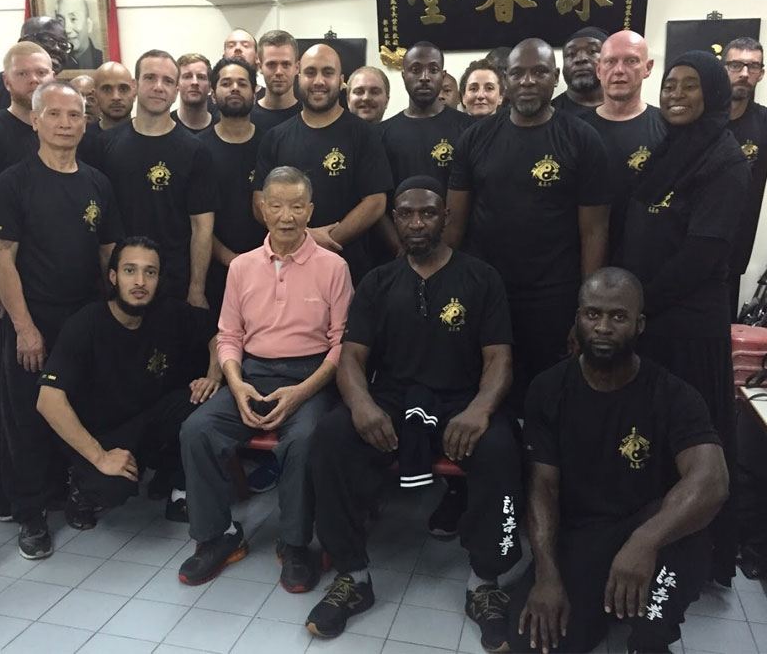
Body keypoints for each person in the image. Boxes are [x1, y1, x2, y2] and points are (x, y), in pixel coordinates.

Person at [305, 176, 522, 651]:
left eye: (428, 213)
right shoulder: (378, 282)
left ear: (446, 218)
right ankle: (353, 577)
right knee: (330, 438)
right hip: (394, 399)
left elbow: (499, 359)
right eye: (407, 213)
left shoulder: (480, 277)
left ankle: (484, 583)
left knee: (504, 448)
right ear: (396, 220)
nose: (417, 222)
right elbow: (352, 357)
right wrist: (361, 405)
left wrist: (481, 410)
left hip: (461, 400)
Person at [507, 267, 728, 654]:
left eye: (618, 316)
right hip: (581, 537)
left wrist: (644, 541)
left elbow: (712, 480)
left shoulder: (674, 395)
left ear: (639, 324)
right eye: (592, 314)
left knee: (691, 530)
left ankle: (649, 637)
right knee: (530, 642)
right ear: (577, 319)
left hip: (648, 527)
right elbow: (543, 486)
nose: (603, 327)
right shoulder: (548, 389)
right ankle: (607, 601)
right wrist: (547, 573)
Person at [179, 166, 353, 591]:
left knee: (304, 439)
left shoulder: (333, 267)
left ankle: (294, 545)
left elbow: (341, 345)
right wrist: (235, 384)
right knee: (196, 429)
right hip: (251, 373)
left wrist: (302, 392)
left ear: (310, 210)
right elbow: (229, 335)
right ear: (262, 209)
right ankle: (216, 537)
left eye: (297, 206)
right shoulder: (242, 267)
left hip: (311, 377)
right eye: (276, 206)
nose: (287, 216)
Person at [617, 50, 751, 585]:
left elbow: (703, 254)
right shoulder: (668, 149)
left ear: (713, 93)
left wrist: (637, 303)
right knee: (645, 438)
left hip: (686, 326)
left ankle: (691, 557)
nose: (675, 94)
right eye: (670, 84)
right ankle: (640, 538)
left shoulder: (725, 160)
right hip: (647, 319)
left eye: (689, 86)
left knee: (687, 442)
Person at [0, 81, 123, 559]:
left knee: (83, 409)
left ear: (85, 123)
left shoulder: (96, 183)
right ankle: (31, 516)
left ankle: (80, 495)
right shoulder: (13, 182)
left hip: (83, 319)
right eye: (56, 115)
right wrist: (24, 327)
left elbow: (109, 254)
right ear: (36, 120)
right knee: (27, 419)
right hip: (32, 319)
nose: (66, 124)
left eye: (75, 116)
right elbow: (2, 259)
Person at [447, 38, 609, 415]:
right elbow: (454, 223)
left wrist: (586, 309)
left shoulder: (582, 139)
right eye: (518, 73)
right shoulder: (475, 138)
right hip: (486, 294)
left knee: (548, 402)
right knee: (484, 396)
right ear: (506, 79)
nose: (528, 81)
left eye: (539, 72)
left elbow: (594, 232)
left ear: (556, 78)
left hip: (553, 297)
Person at [36, 236, 221, 529]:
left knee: (203, 398)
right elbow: (47, 400)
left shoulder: (168, 313)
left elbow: (219, 332)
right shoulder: (86, 324)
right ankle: (81, 491)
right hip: (97, 435)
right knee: (113, 487)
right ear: (113, 277)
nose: (140, 281)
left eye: (150, 272)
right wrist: (100, 456)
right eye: (129, 270)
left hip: (145, 422)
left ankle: (174, 482)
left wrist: (213, 374)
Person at [0, 42, 54, 521]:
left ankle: (47, 478)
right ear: (7, 82)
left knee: (41, 386)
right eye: (25, 74)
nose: (35, 80)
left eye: (43, 72)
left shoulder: (57, 129)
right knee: (3, 392)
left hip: (46, 282)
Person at [252, 44, 393, 284]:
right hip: (286, 267)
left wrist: (329, 241)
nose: (318, 81)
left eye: (327, 73)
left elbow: (375, 202)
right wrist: (306, 239)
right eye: (310, 72)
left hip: (349, 266)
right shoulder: (275, 138)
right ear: (299, 77)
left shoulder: (364, 135)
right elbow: (259, 204)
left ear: (341, 81)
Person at [99, 49, 218, 304]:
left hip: (173, 280)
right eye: (150, 78)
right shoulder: (105, 146)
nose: (158, 87)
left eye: (167, 81)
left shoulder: (195, 151)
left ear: (176, 90)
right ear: (135, 85)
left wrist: (196, 289)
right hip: (117, 282)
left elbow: (202, 227)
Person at [377, 42, 473, 256]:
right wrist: (398, 247)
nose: (424, 77)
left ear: (443, 74)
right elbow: (378, 201)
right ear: (403, 76)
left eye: (433, 69)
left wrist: (447, 250)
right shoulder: (382, 134)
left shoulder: (468, 129)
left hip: (459, 252)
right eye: (415, 69)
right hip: (400, 253)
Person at [583, 31, 665, 256]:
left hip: (647, 258)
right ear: (599, 70)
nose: (619, 70)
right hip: (583, 256)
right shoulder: (576, 130)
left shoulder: (667, 129)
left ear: (647, 67)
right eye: (610, 61)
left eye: (631, 61)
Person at [199, 57, 266, 315]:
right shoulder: (198, 149)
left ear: (255, 91)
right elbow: (196, 220)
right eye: (226, 83)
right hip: (216, 272)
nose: (235, 88)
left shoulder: (271, 144)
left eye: (242, 83)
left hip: (269, 269)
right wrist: (231, 260)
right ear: (213, 94)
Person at [722, 37, 767, 318]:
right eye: (736, 65)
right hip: (683, 243)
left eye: (752, 66)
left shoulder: (764, 123)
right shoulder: (699, 116)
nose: (744, 73)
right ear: (723, 67)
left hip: (733, 251)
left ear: (761, 73)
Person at [0, 16, 69, 126]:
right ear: (23, 42)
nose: (57, 49)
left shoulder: (70, 95)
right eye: (48, 40)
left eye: (63, 44)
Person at [250, 30, 302, 131]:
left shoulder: (309, 117)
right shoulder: (247, 119)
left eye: (286, 64)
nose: (279, 72)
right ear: (260, 67)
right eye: (271, 64)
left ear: (297, 68)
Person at [552, 27, 608, 117]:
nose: (580, 59)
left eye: (592, 51)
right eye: (571, 54)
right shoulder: (548, 115)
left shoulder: (627, 110)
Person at [171, 53, 219, 135]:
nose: (194, 82)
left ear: (210, 86)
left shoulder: (222, 128)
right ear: (177, 84)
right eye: (187, 76)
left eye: (201, 77)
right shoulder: (165, 126)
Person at [56, 0, 103, 70]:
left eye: (73, 19)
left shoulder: (102, 60)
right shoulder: (53, 63)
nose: (67, 29)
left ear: (89, 25)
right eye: (60, 20)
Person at [92, 61, 137, 131]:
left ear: (134, 93)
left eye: (123, 89)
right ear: (95, 96)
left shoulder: (150, 137)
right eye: (107, 90)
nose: (116, 97)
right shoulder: (80, 139)